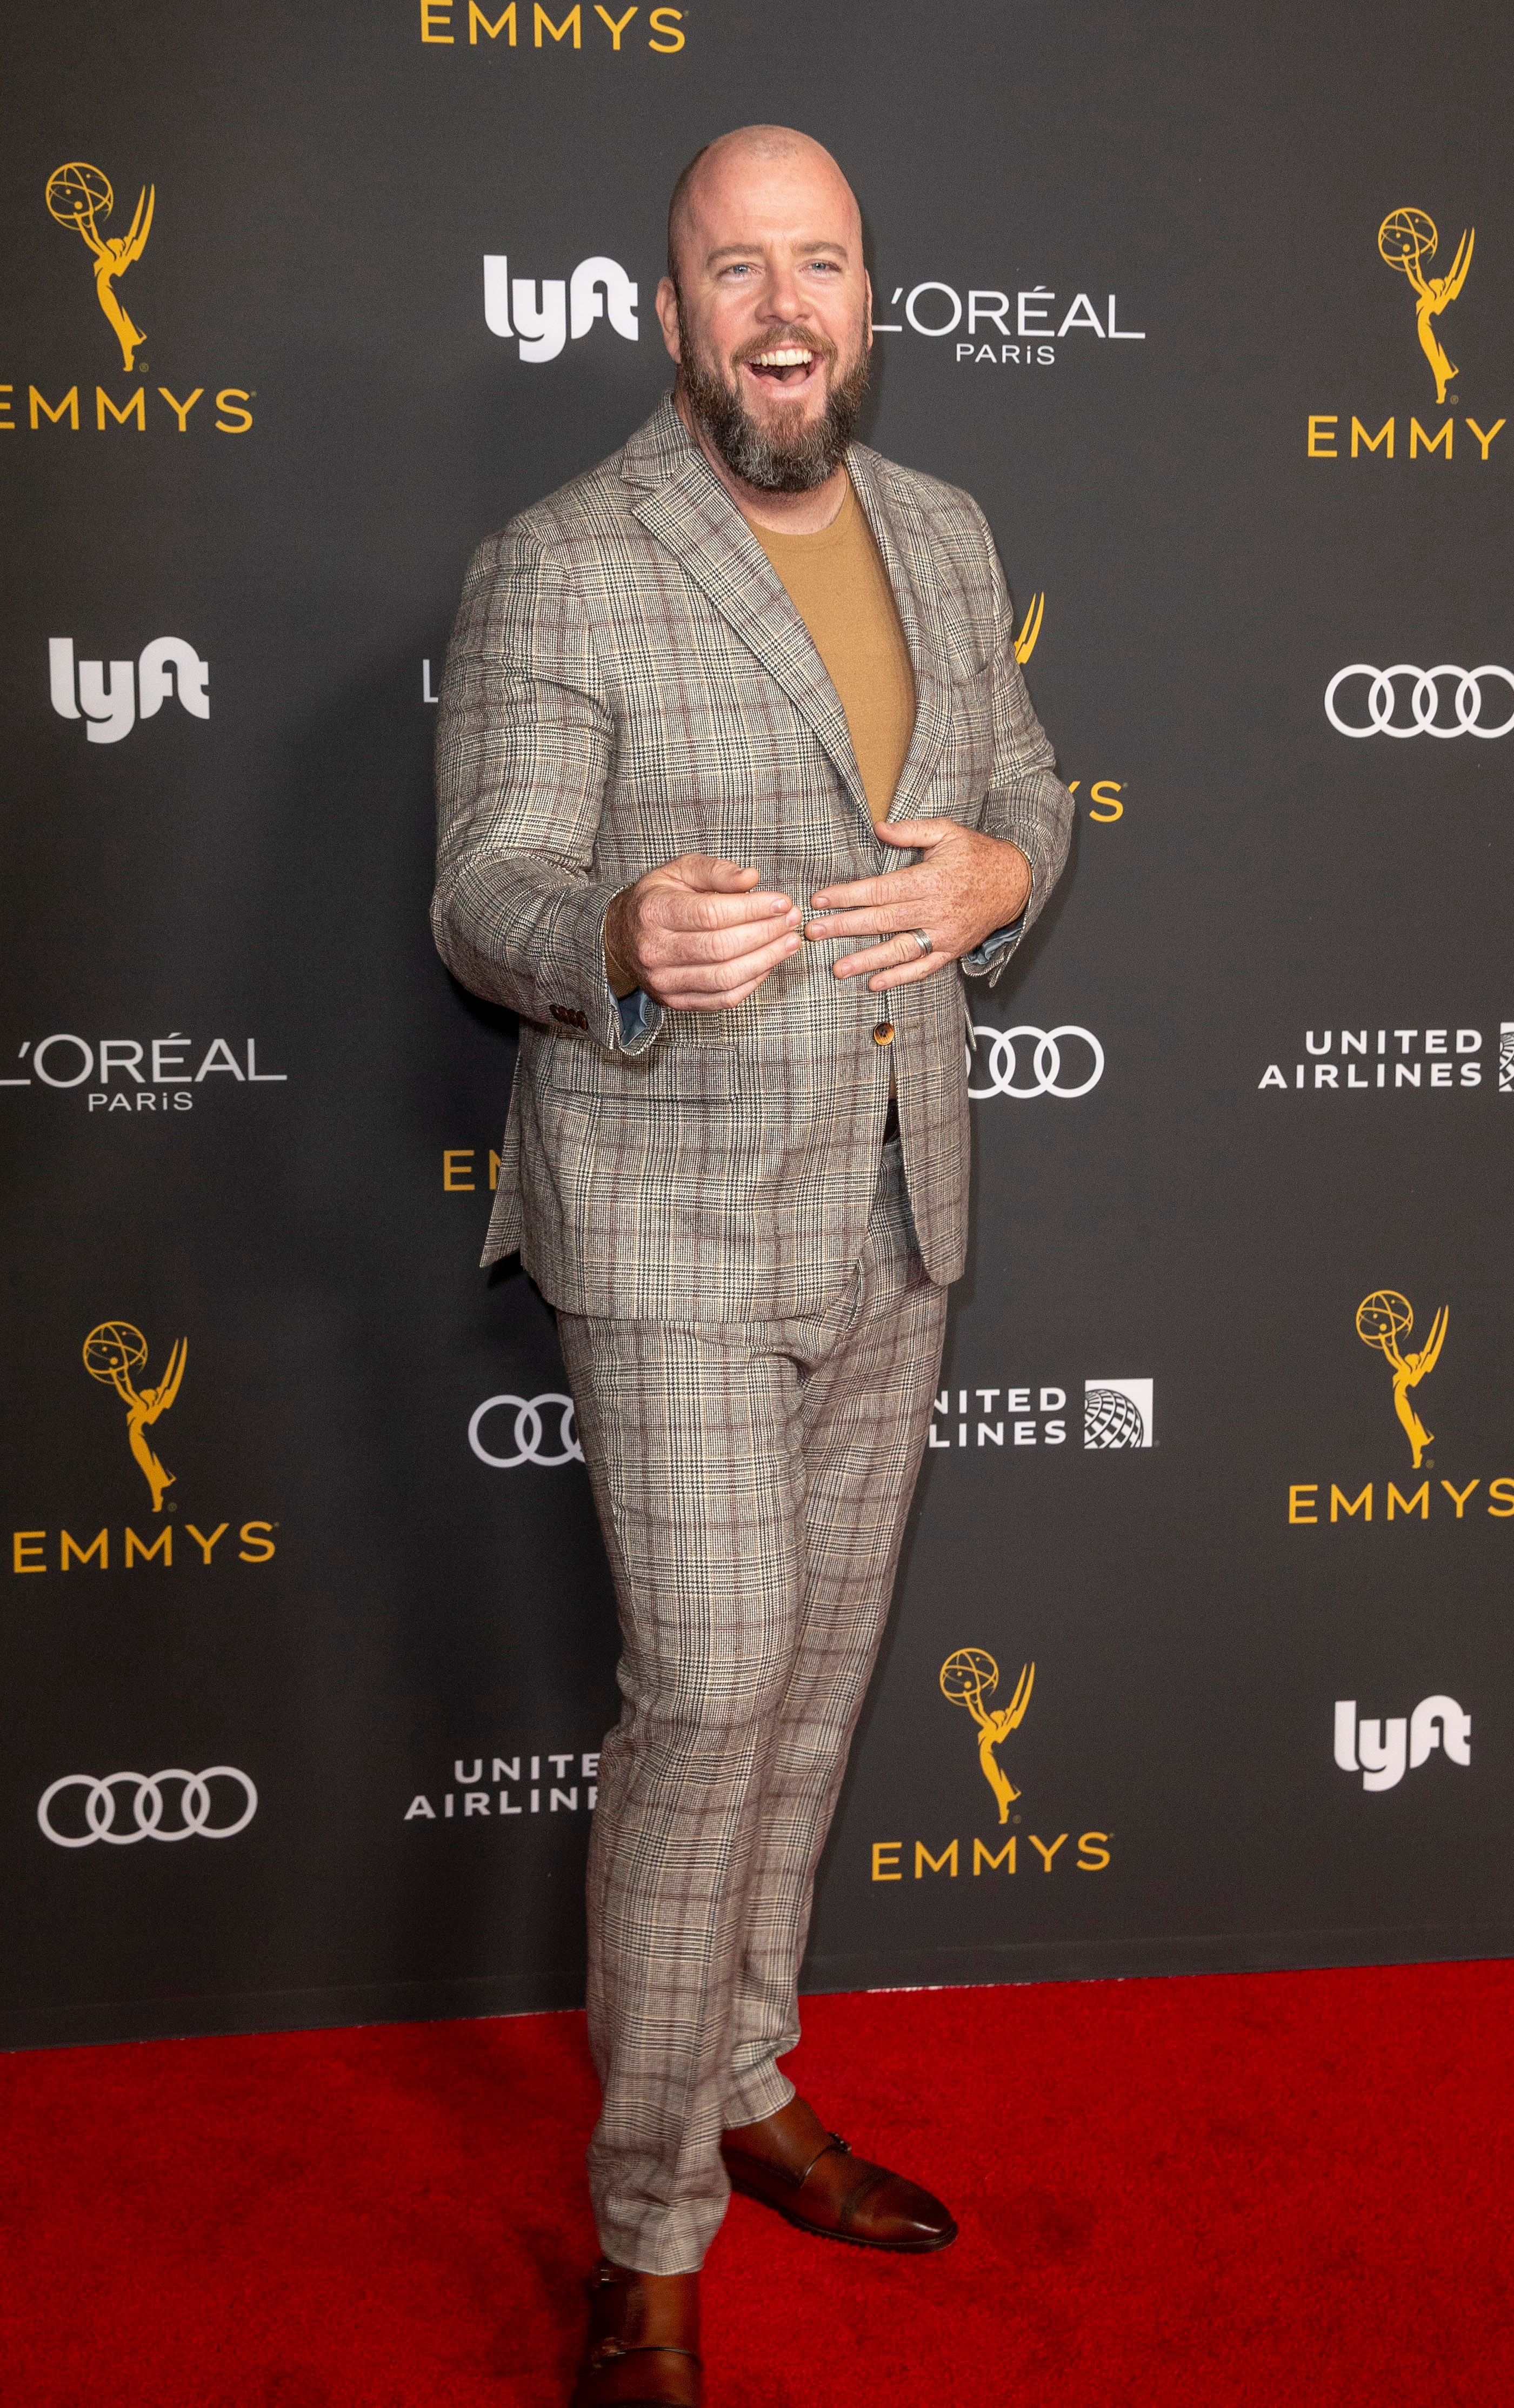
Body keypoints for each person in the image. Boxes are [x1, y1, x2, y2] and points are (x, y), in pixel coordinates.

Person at [433, 123, 1073, 2408]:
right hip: (675, 1219)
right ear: (670, 311)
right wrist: (607, 929)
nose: (780, 307)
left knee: (807, 1704)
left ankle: (748, 2072)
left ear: (868, 296)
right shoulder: (562, 561)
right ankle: (646, 2228)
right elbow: (484, 883)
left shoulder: (944, 531)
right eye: (734, 271)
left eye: (819, 264)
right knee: (706, 1701)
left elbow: (1033, 786)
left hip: (897, 1201)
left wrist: (1003, 876)